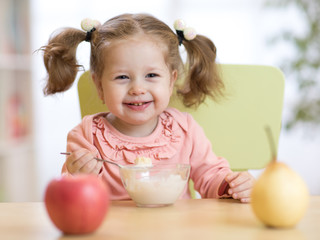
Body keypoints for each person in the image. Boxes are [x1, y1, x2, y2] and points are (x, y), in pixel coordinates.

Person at [40, 13, 255, 203]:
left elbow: (210, 177)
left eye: (151, 75)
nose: (137, 89)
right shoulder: (87, 136)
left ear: (171, 82)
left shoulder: (184, 129)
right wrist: (78, 178)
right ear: (99, 86)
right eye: (122, 77)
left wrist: (231, 185)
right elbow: (70, 198)